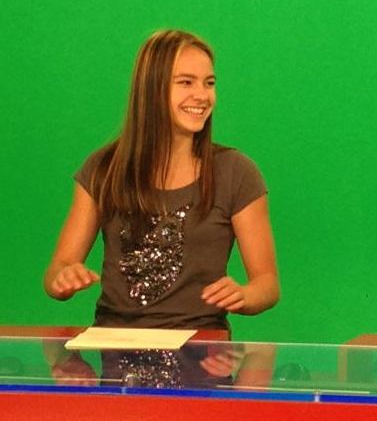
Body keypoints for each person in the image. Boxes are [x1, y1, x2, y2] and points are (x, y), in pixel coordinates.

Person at [45, 30, 279, 331]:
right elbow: (57, 269)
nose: (202, 95)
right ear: (151, 89)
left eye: (209, 83)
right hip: (114, 346)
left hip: (201, 350)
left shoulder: (237, 172)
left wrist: (244, 296)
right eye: (186, 82)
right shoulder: (102, 169)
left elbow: (267, 284)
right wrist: (62, 278)